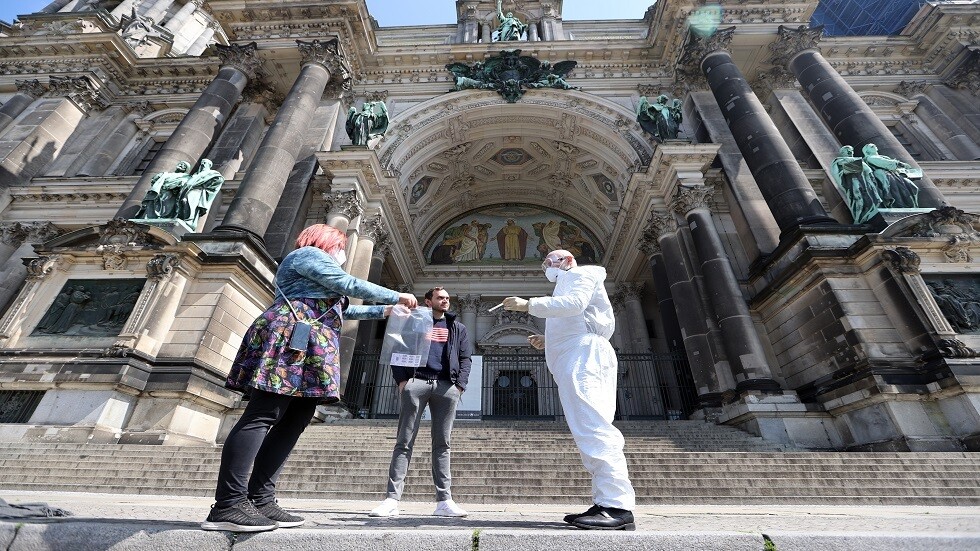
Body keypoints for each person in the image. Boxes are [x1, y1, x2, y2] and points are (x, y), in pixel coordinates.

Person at [202, 224, 417, 532]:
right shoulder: (307, 255)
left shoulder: (318, 271)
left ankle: (261, 498)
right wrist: (396, 295)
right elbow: (346, 283)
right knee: (264, 413)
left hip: (313, 341)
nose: (343, 252)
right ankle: (228, 504)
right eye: (340, 246)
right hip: (290, 336)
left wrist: (383, 311)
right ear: (327, 242)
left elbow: (339, 312)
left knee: (298, 417)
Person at [502, 250, 636, 530]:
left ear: (568, 260)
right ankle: (605, 502)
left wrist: (528, 305)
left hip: (585, 354)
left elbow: (575, 305)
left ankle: (617, 506)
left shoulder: (581, 273)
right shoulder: (567, 282)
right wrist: (546, 339)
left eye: (552, 260)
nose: (547, 265)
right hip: (574, 355)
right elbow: (576, 318)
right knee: (587, 427)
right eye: (545, 262)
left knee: (594, 426)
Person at [370, 287, 472, 518]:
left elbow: (465, 358)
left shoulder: (457, 327)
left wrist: (459, 386)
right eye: (440, 298)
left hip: (446, 386)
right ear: (428, 301)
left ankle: (444, 501)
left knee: (443, 444)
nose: (445, 301)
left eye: (447, 298)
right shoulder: (414, 323)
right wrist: (402, 381)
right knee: (404, 442)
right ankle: (391, 500)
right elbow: (398, 350)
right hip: (416, 383)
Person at [830, 145, 881, 224]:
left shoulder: (858, 161)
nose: (850, 152)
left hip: (866, 183)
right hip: (854, 183)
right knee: (860, 200)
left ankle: (870, 214)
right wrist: (860, 164)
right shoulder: (838, 161)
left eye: (851, 150)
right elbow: (853, 168)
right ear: (842, 153)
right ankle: (861, 217)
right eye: (846, 150)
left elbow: (866, 170)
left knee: (872, 199)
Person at [862, 143, 920, 209]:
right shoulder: (870, 158)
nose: (874, 146)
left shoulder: (882, 157)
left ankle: (912, 206)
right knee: (894, 189)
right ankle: (899, 205)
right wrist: (898, 163)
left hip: (894, 174)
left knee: (913, 187)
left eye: (874, 145)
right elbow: (883, 163)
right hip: (886, 176)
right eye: (872, 146)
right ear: (867, 151)